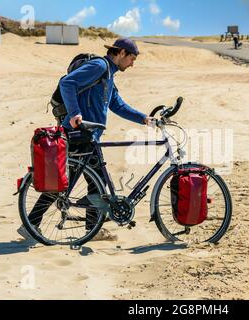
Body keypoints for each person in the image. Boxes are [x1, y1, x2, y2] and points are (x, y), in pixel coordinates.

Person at [18, 38, 155, 242]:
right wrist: (75, 113)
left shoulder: (108, 75)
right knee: (75, 183)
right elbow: (67, 83)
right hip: (79, 133)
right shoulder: (99, 66)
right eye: (132, 58)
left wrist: (144, 118)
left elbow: (117, 105)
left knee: (89, 182)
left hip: (89, 136)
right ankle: (34, 225)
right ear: (122, 53)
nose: (133, 64)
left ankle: (44, 225)